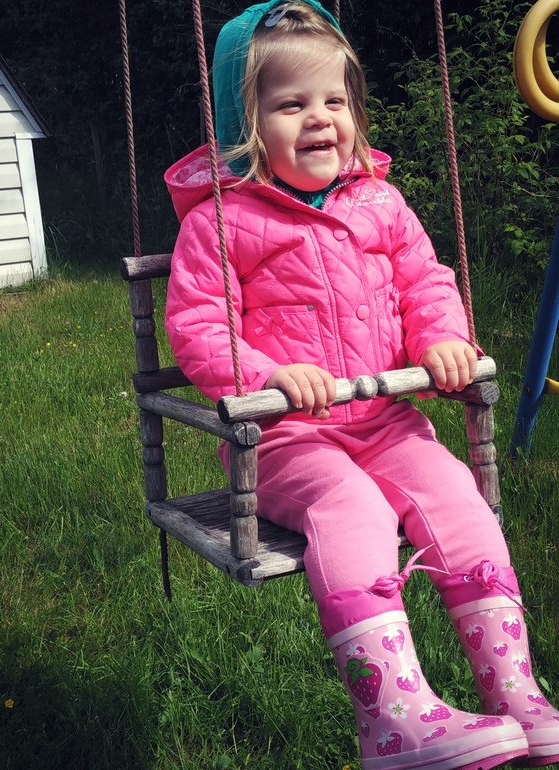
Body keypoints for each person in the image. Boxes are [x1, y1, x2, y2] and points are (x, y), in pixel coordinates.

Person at [164, 2, 559, 768]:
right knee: (353, 506)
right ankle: (393, 719)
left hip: (384, 419)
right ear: (245, 124)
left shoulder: (381, 201)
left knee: (458, 496)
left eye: (334, 100)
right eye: (292, 104)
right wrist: (269, 376)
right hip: (287, 439)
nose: (320, 118)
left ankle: (514, 690)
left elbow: (424, 282)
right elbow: (200, 325)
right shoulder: (220, 221)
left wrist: (442, 340)